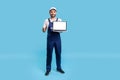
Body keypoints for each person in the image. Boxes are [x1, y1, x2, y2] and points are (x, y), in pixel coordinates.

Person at [42, 7, 65, 76]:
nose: (52, 13)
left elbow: (62, 31)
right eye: (51, 12)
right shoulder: (46, 20)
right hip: (50, 40)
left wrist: (59, 29)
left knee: (58, 54)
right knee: (49, 54)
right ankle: (48, 69)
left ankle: (59, 68)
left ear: (56, 12)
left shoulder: (59, 20)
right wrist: (43, 28)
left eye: (54, 12)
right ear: (49, 12)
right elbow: (43, 30)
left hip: (57, 39)